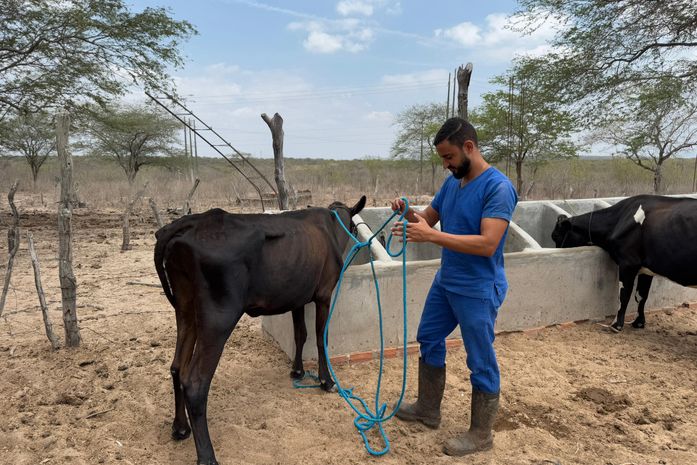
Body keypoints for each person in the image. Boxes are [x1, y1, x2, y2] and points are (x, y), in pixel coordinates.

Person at [391, 117, 517, 456]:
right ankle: (428, 409)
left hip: (478, 287)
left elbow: (488, 243)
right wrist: (408, 214)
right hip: (447, 282)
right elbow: (427, 220)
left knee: (480, 359)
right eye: (442, 159)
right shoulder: (453, 184)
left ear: (469, 147)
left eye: (449, 157)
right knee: (429, 336)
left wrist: (431, 236)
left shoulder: (498, 187)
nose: (446, 165)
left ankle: (481, 434)